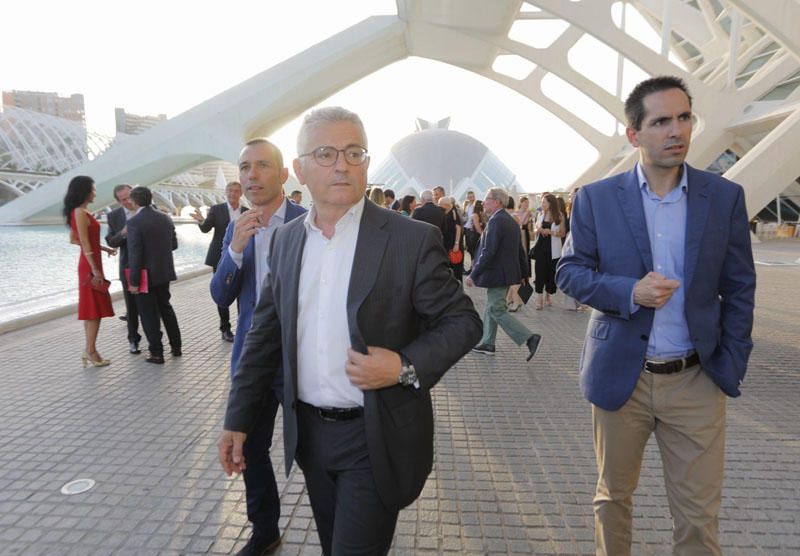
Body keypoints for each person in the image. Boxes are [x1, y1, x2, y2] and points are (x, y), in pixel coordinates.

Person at [218, 106, 482, 555]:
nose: (343, 164)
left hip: (374, 437)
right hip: (310, 436)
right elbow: (263, 337)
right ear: (299, 169)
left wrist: (403, 365)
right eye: (326, 153)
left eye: (354, 152)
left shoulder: (409, 240)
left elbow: (464, 322)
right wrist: (237, 419)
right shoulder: (286, 241)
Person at [556, 75, 756, 555]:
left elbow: (740, 287)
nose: (677, 130)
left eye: (684, 117)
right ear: (634, 134)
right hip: (621, 378)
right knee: (613, 500)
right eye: (662, 121)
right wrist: (630, 292)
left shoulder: (723, 197)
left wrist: (731, 361)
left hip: (696, 380)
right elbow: (569, 272)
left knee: (698, 517)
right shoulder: (596, 199)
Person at [210, 138, 306, 556]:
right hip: (252, 362)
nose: (251, 175)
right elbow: (219, 296)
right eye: (244, 166)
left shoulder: (310, 221)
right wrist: (234, 251)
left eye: (262, 165)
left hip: (302, 360)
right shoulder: (237, 226)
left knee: (316, 448)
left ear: (284, 174)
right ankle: (264, 529)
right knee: (249, 447)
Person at [466, 187, 541, 360]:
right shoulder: (509, 220)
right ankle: (488, 343)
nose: (483, 202)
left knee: (496, 309)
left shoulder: (496, 221)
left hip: (497, 274)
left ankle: (529, 338)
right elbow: (520, 251)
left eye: (487, 199)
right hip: (504, 273)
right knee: (491, 307)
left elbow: (489, 251)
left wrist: (474, 273)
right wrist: (524, 273)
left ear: (497, 201)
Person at [63, 175, 116, 367]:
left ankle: (90, 349)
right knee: (95, 309)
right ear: (84, 191)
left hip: (91, 263)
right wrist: (95, 269)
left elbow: (75, 239)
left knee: (93, 308)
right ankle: (91, 351)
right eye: (93, 189)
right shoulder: (79, 212)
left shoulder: (81, 212)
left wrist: (104, 249)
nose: (95, 192)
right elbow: (82, 241)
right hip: (89, 266)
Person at [127, 187, 182, 365]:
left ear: (134, 202)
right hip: (164, 272)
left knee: (148, 314)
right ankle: (176, 347)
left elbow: (136, 254)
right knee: (166, 308)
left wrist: (134, 282)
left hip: (145, 275)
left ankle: (157, 353)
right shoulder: (165, 218)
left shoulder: (135, 222)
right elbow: (173, 245)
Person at [192, 181, 244, 342]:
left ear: (240, 193)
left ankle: (242, 326)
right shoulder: (217, 209)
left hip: (242, 258)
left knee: (242, 294)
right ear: (226, 192)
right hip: (220, 257)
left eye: (236, 191)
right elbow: (206, 228)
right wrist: (201, 220)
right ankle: (225, 328)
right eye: (230, 191)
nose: (232, 194)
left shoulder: (246, 212)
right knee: (223, 292)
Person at [105, 184, 142, 354]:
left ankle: (156, 338)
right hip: (127, 266)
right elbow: (111, 241)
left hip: (149, 266)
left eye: (129, 196)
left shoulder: (147, 208)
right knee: (131, 307)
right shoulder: (114, 216)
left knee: (154, 305)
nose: (127, 201)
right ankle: (133, 340)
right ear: (118, 202)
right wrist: (123, 233)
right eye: (123, 199)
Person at [532, 193, 565, 309]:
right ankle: (539, 299)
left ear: (550, 203)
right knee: (539, 272)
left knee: (550, 274)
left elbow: (562, 233)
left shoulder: (559, 216)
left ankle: (548, 295)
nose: (542, 204)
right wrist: (539, 229)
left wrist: (550, 232)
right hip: (541, 247)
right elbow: (535, 229)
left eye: (544, 202)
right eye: (542, 202)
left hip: (553, 250)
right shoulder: (540, 214)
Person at [438, 196, 464, 282]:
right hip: (448, 243)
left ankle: (458, 289)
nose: (438, 206)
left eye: (440, 204)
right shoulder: (446, 211)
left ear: (446, 205)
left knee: (456, 268)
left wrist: (456, 244)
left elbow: (458, 228)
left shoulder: (454, 212)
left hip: (454, 244)